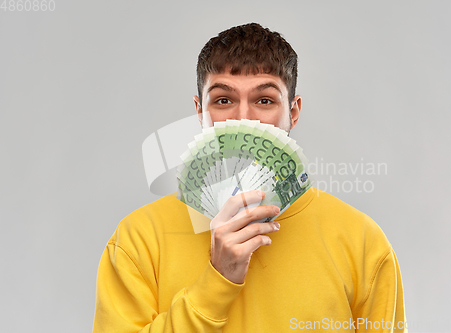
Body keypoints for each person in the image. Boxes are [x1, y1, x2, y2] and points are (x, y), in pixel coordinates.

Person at [92, 23, 407, 332]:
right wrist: (217, 282)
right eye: (223, 100)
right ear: (200, 111)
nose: (243, 118)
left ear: (293, 112)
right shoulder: (138, 240)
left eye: (265, 100)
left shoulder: (362, 242)